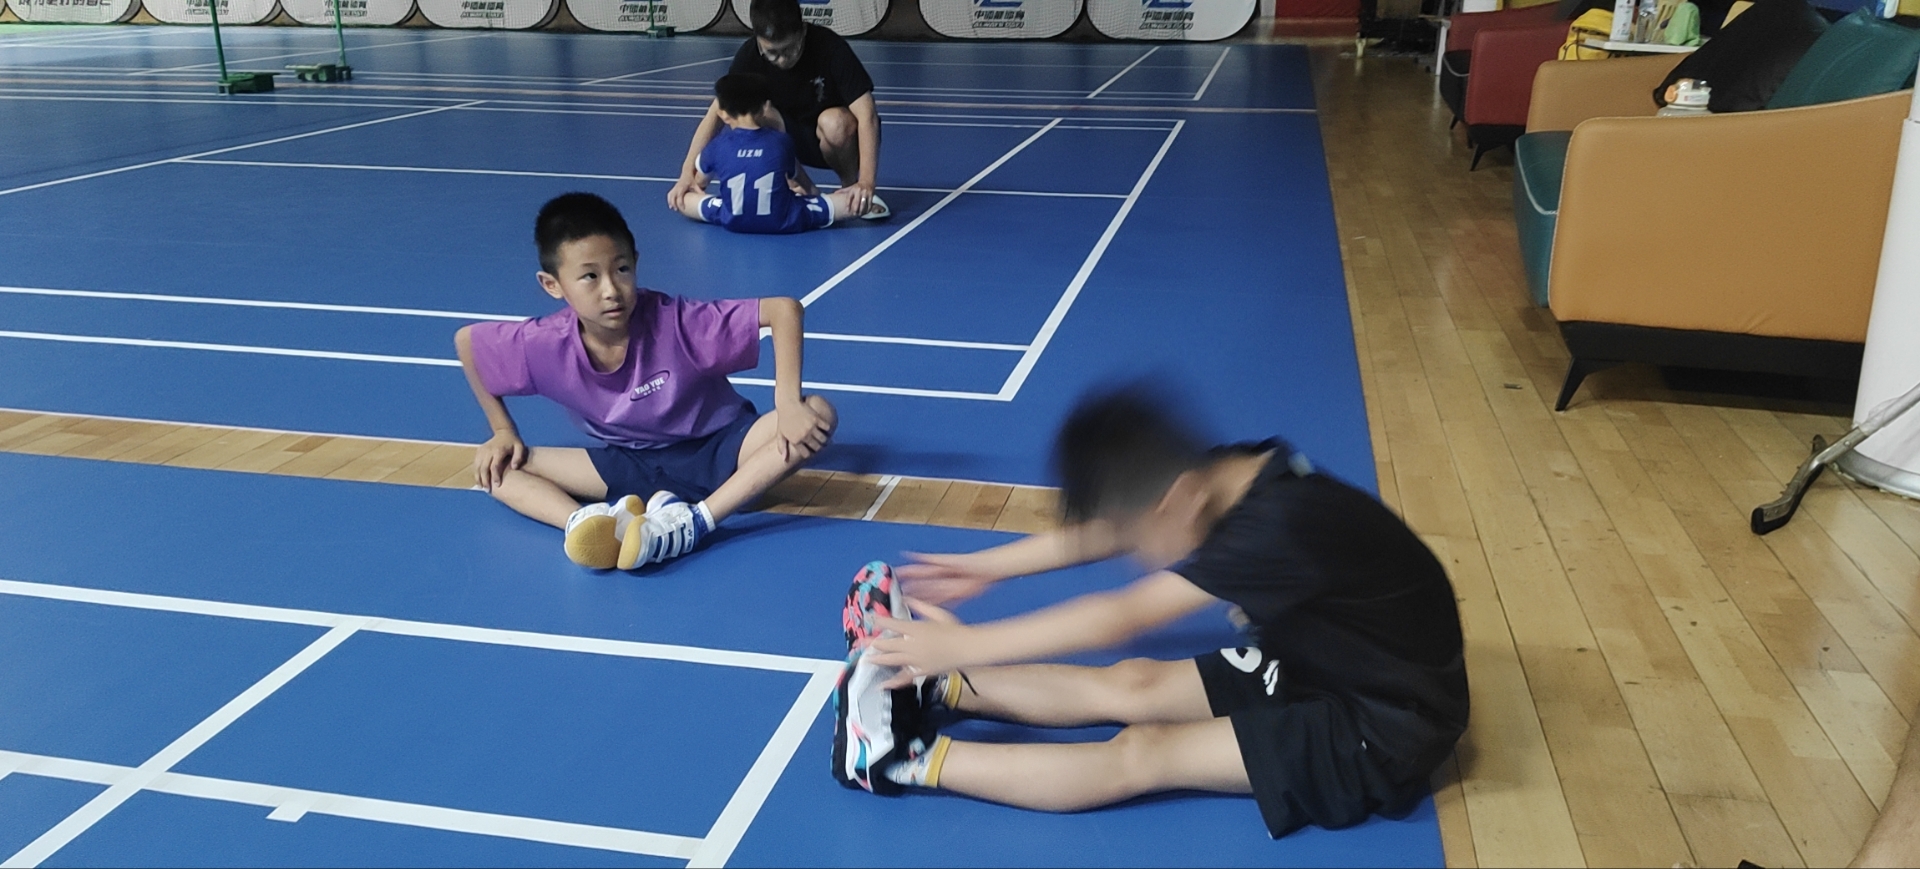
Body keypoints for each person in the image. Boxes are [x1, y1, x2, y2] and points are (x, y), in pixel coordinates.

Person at [831, 385, 1470, 838]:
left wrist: (968, 643)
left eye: (1142, 540)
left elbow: (1120, 616)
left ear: (1178, 501)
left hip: (1382, 726)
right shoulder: (1229, 474)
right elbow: (1112, 530)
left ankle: (894, 759)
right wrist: (988, 567)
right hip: (1323, 659)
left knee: (1146, 751)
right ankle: (940, 686)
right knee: (1133, 681)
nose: (1138, 554)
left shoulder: (1277, 530)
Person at [453, 192, 836, 570]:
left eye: (621, 269)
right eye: (589, 276)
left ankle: (696, 522)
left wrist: (787, 402)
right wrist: (502, 430)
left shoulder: (678, 323)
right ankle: (585, 523)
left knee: (818, 413)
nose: (611, 289)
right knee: (497, 468)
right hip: (628, 463)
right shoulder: (545, 343)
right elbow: (468, 344)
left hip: (721, 450)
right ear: (553, 284)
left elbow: (783, 310)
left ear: (635, 262)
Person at [666, 0, 888, 221]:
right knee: (755, 112)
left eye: (790, 49)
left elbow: (867, 115)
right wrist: (686, 174)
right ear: (758, 40)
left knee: (835, 121)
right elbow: (716, 113)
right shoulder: (750, 56)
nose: (781, 59)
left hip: (832, 141)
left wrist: (866, 182)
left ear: (802, 31)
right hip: (783, 144)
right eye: (772, 53)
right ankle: (789, 186)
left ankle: (851, 190)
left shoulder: (830, 47)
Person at [677, 74, 868, 234]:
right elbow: (804, 183)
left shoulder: (717, 146)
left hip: (733, 219)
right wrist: (812, 194)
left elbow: (699, 182)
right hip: (786, 220)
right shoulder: (781, 142)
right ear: (765, 108)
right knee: (851, 204)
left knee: (684, 199)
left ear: (723, 114)